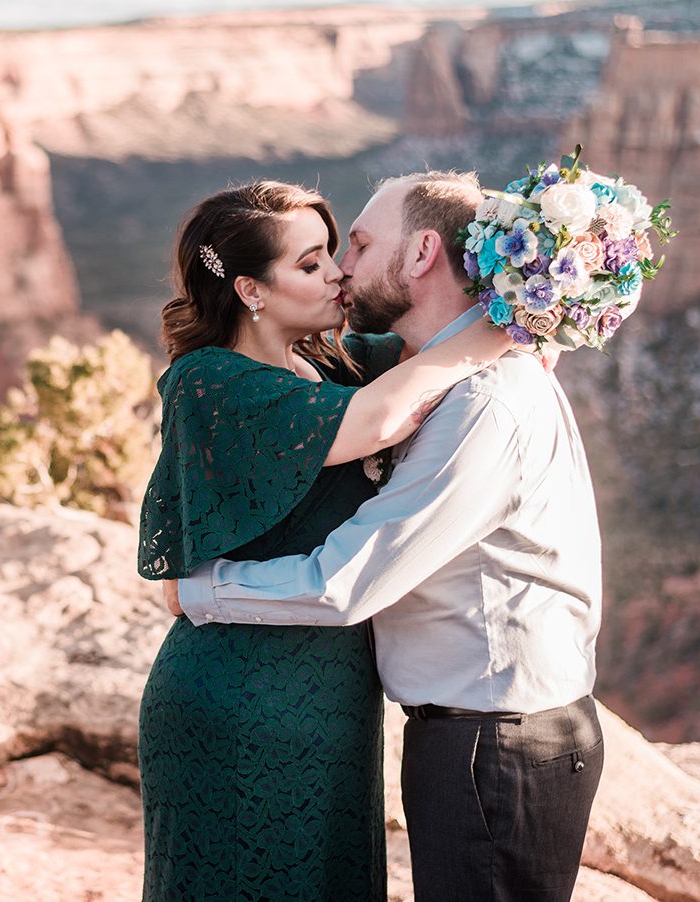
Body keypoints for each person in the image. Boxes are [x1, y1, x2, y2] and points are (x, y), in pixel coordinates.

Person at [169, 171, 605, 902]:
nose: (343, 271)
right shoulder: (400, 374)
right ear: (250, 288)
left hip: (494, 741)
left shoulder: (483, 403)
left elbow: (350, 582)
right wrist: (503, 327)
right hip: (459, 733)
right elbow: (379, 398)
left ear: (421, 253)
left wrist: (201, 590)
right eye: (315, 261)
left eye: (358, 246)